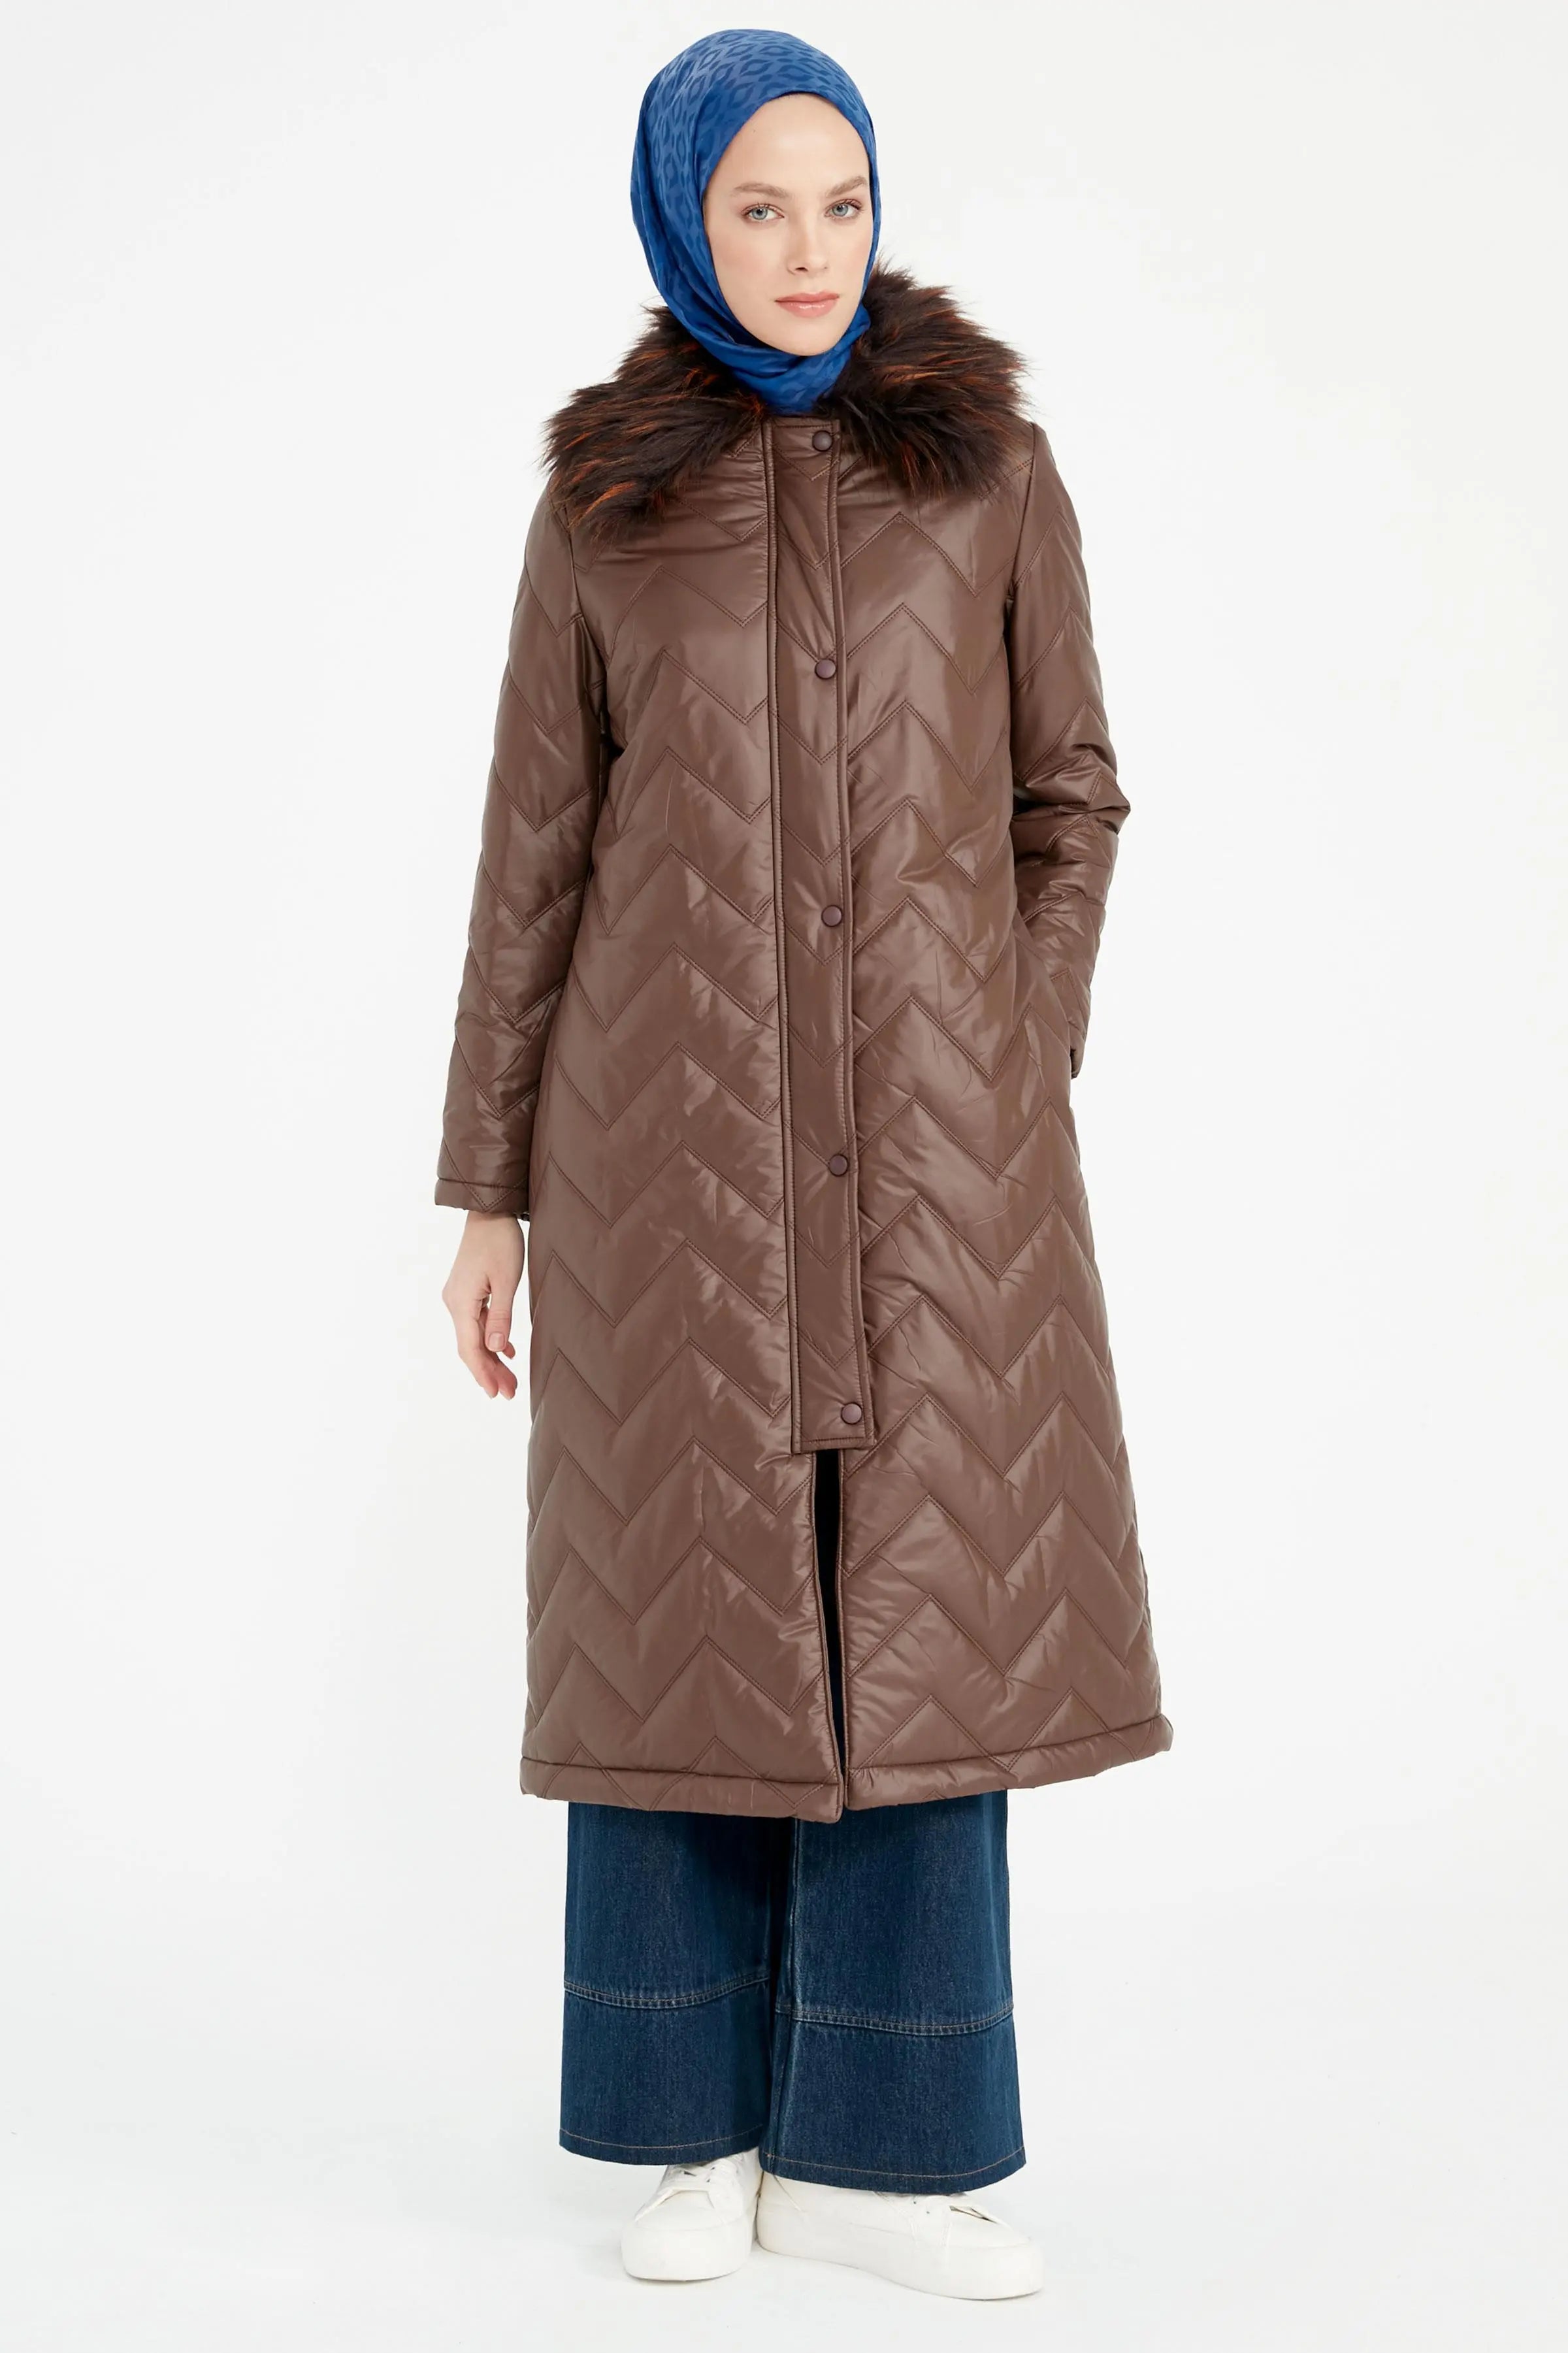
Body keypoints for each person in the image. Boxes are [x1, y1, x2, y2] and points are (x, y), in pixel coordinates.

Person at [434, 27, 1171, 2303]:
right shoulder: (605, 505)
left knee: (926, 1605)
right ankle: (691, 2136)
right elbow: (535, 857)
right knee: (687, 1603)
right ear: (684, 219)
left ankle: (899, 2148)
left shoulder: (988, 469)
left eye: (838, 202)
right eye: (758, 207)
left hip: (946, 1160)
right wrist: (487, 1189)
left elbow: (1071, 791)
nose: (806, 248)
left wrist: (1015, 1043)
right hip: (659, 1153)